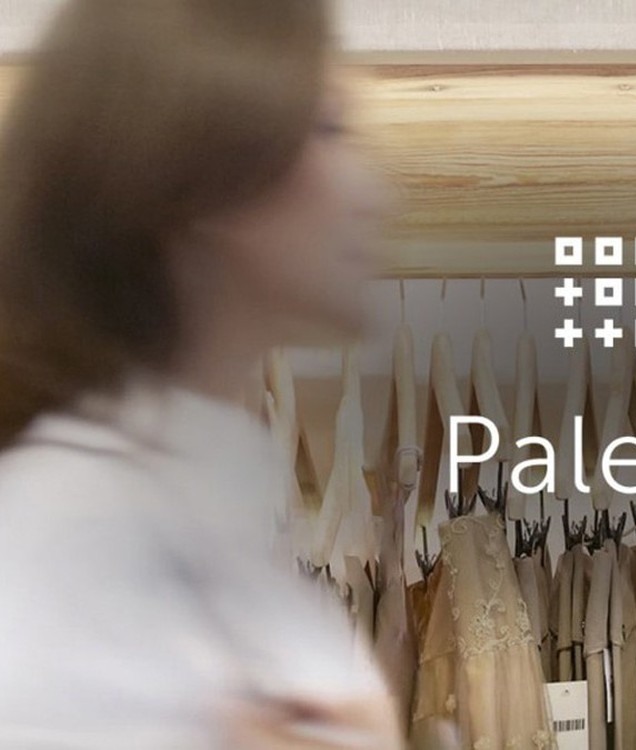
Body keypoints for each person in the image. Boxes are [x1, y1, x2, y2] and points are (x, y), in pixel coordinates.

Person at [0, 0, 403, 747]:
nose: (377, 196)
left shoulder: (203, 506)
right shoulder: (74, 537)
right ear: (210, 174)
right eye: (328, 130)